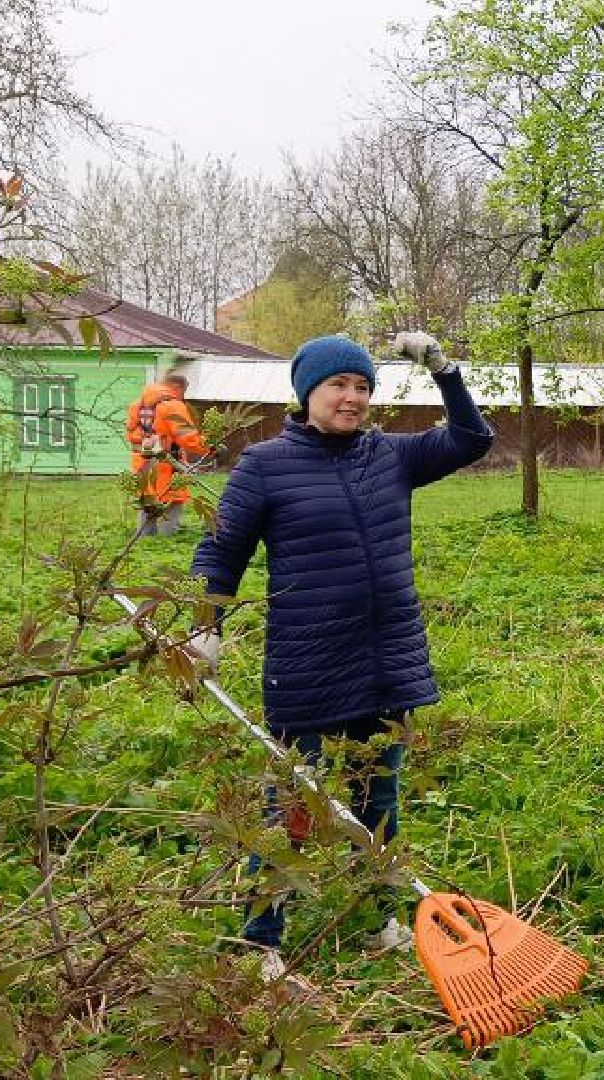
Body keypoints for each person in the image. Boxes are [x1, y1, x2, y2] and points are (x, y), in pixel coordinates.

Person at [188, 331, 493, 979]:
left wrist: (445, 372)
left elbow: (472, 439)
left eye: (362, 386)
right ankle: (260, 938)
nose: (352, 398)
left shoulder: (389, 455)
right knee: (293, 807)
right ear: (307, 394)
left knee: (378, 801)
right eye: (339, 386)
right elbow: (221, 552)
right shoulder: (264, 464)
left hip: (387, 663)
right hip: (308, 664)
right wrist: (205, 626)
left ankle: (376, 922)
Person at [126, 373, 210, 537]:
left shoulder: (136, 406)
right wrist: (210, 447)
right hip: (168, 468)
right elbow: (189, 438)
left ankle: (144, 544)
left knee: (148, 504)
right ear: (177, 386)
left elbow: (131, 436)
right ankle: (167, 541)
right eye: (183, 392)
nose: (183, 398)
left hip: (142, 467)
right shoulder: (173, 406)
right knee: (172, 503)